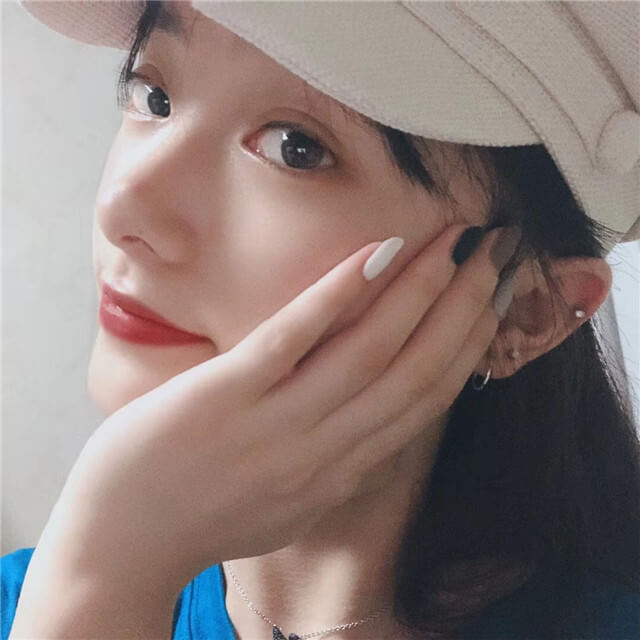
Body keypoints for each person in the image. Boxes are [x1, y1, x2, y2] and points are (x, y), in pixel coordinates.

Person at [3, 1, 640, 639]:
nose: (124, 209)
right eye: (155, 97)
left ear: (528, 310)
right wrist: (106, 575)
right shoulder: (35, 597)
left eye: (296, 148)